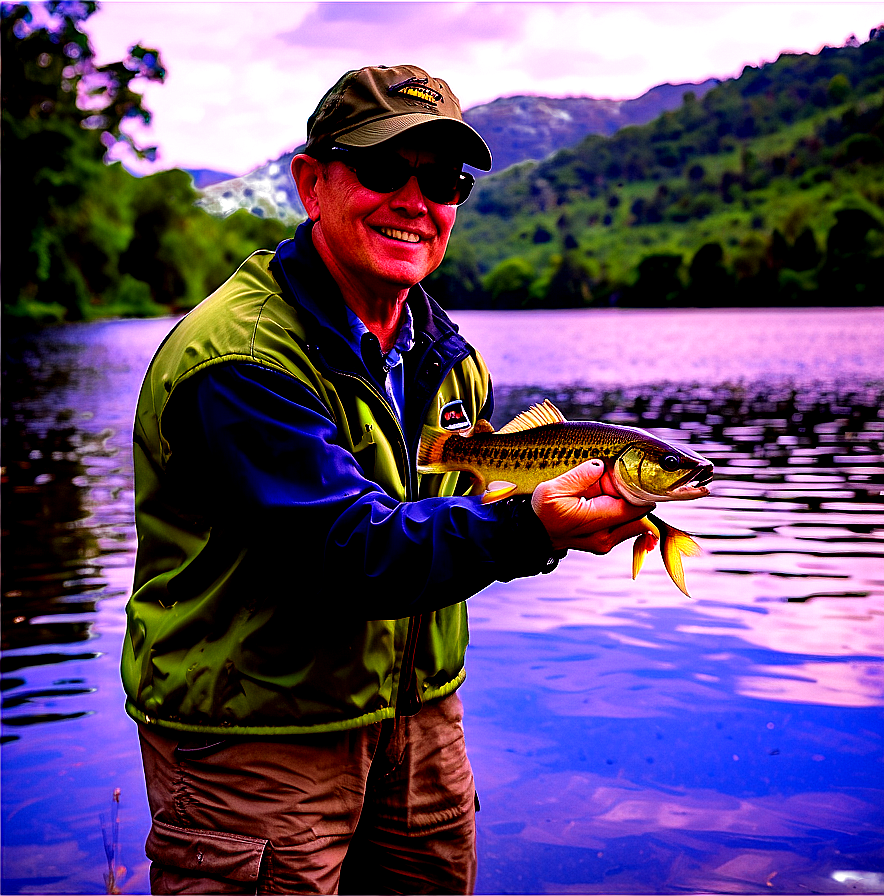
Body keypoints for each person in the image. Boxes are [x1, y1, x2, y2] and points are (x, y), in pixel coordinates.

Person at [123, 64, 656, 895]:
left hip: (423, 729)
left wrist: (552, 520)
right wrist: (530, 530)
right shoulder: (235, 359)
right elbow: (345, 549)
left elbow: (467, 523)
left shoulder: (451, 360)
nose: (414, 200)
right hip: (257, 743)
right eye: (382, 169)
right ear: (311, 182)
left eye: (441, 180)